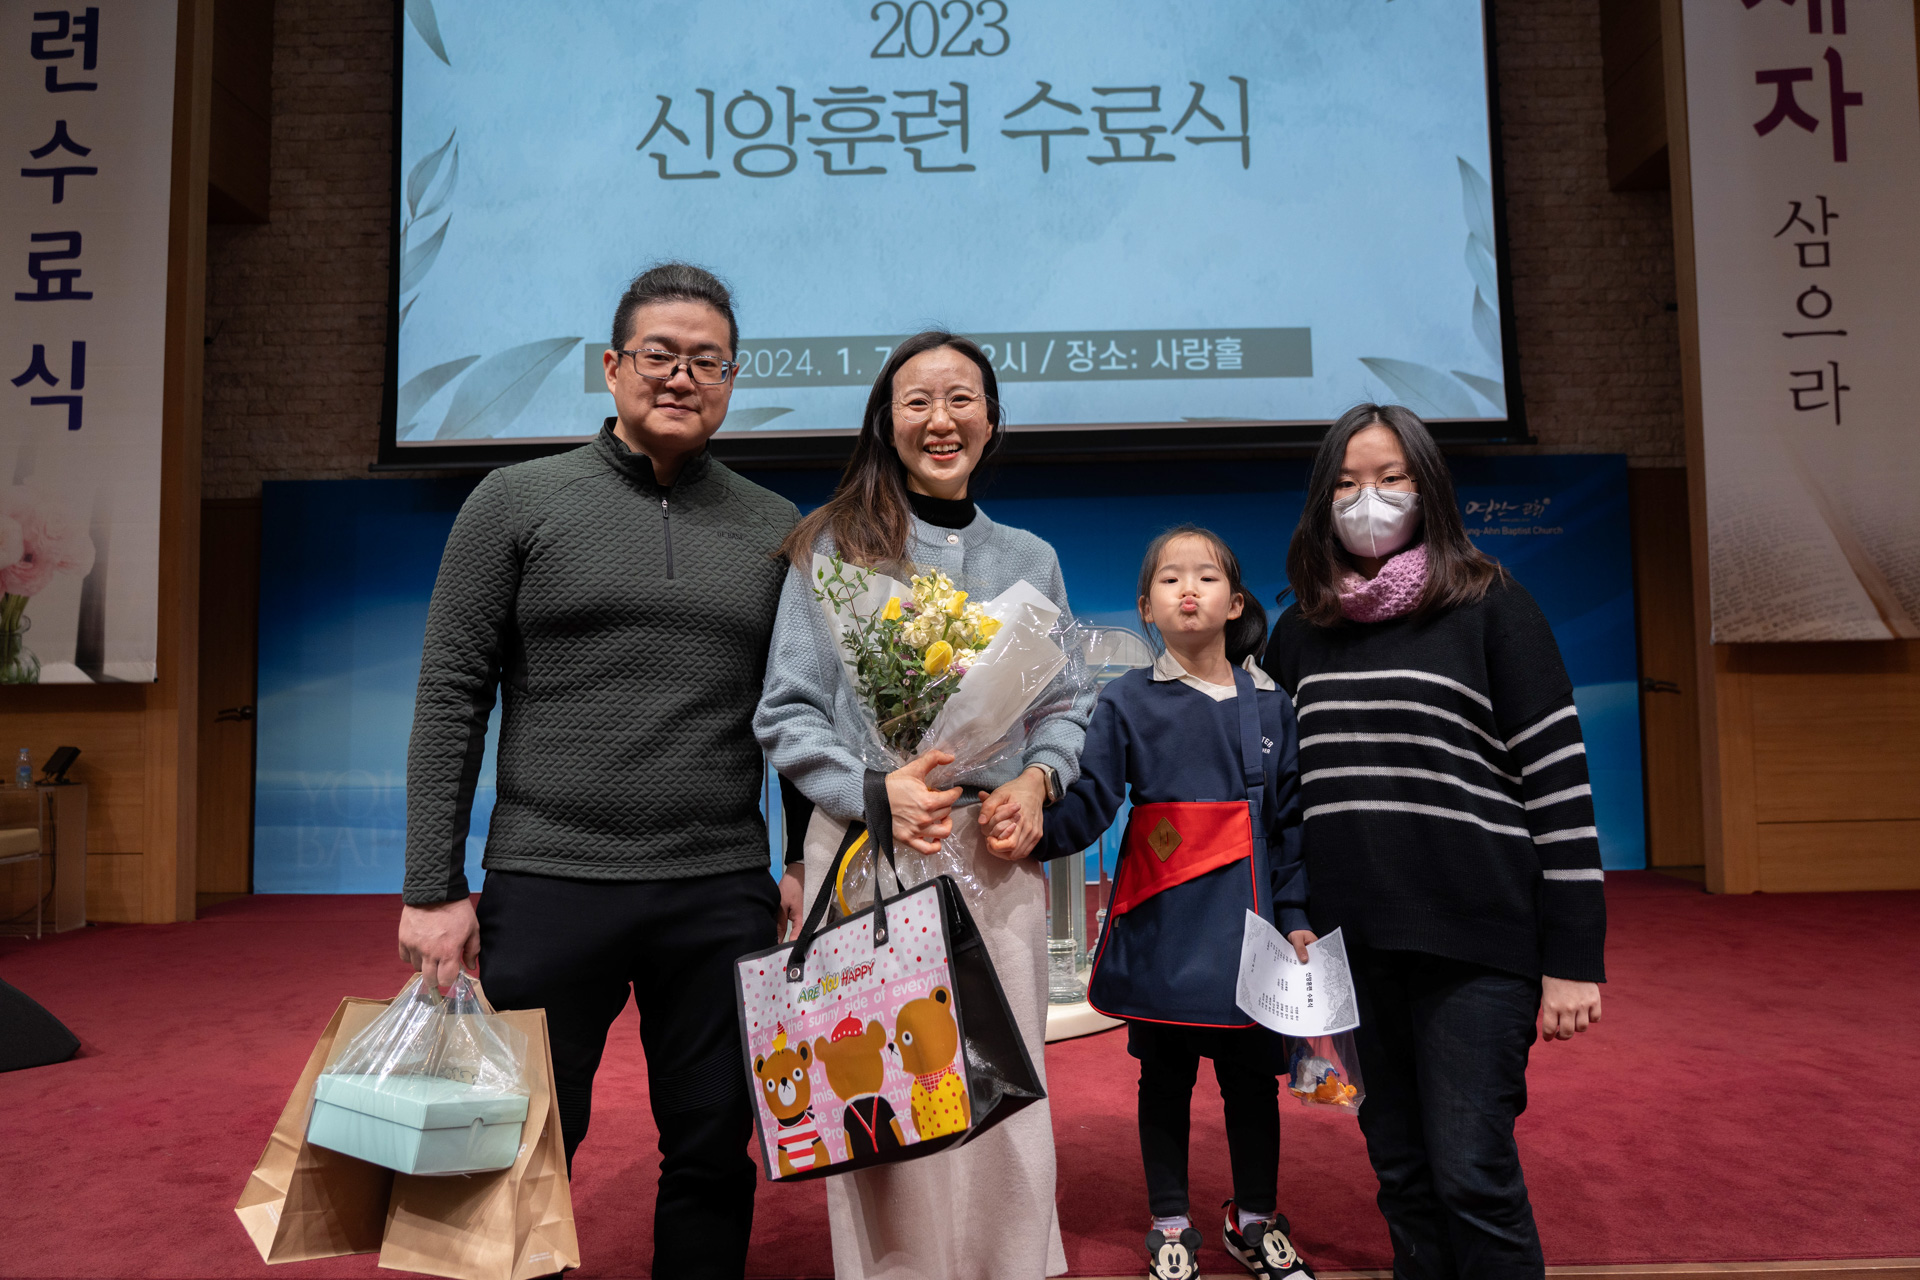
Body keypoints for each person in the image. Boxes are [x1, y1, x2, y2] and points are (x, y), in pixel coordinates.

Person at [397, 263, 799, 1280]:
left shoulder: (775, 528)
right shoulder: (514, 502)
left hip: (717, 887)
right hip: (548, 881)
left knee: (713, 1146)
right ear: (612, 367)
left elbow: (797, 712)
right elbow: (451, 695)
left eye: (706, 360)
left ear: (732, 380)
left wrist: (801, 864)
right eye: (659, 354)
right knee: (517, 1146)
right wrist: (432, 887)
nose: (681, 376)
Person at [753, 330, 1091, 1280]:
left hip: (992, 854)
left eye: (961, 399)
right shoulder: (831, 547)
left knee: (1005, 1088)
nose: (941, 420)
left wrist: (1036, 780)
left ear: (991, 418)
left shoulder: (1030, 556)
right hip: (869, 853)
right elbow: (786, 711)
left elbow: (1066, 705)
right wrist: (876, 791)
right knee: (887, 1089)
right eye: (917, 402)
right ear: (886, 422)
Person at [1261, 404, 1607, 1280]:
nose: (1368, 500)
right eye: (1346, 484)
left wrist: (1573, 958)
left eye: (1390, 480)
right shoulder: (1301, 632)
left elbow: (1559, 787)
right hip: (1353, 951)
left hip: (1477, 942)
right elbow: (1281, 802)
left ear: (1429, 490)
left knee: (1472, 1174)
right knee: (1403, 1176)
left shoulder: (1493, 606)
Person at [1036, 526, 1316, 1280]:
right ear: (1145, 607)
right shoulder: (1125, 700)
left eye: (1206, 576)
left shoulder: (1272, 703)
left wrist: (1296, 918)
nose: (1188, 589)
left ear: (1236, 603)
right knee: (1164, 1081)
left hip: (1250, 934)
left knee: (1253, 1084)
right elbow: (1092, 802)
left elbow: (1290, 827)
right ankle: (1170, 1223)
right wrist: (1028, 832)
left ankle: (1255, 1219)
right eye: (1169, 579)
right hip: (1161, 928)